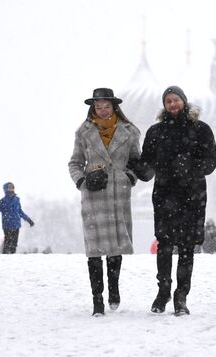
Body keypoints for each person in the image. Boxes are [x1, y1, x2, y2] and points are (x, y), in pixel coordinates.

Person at [129, 85, 216, 316]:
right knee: (164, 245)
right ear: (164, 105)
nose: (172, 104)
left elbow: (211, 163)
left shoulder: (200, 130)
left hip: (192, 196)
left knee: (187, 248)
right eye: (168, 101)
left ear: (184, 101)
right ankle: (164, 291)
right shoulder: (156, 132)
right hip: (165, 195)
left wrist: (190, 165)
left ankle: (181, 296)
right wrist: (135, 165)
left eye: (176, 100)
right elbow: (147, 168)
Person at [68, 88, 141, 316]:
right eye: (98, 107)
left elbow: (136, 161)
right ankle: (97, 300)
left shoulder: (130, 132)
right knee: (94, 248)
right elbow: (74, 162)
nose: (102, 110)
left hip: (118, 192)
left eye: (106, 106)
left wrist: (130, 177)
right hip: (94, 193)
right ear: (93, 108)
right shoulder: (83, 132)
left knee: (116, 244)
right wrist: (82, 181)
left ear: (114, 106)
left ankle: (114, 289)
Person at [0, 182, 34, 254]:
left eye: (13, 187)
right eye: (9, 187)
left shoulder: (17, 199)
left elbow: (20, 212)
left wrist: (29, 220)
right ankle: (5, 258)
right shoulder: (3, 201)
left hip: (16, 225)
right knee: (7, 243)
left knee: (14, 244)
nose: (12, 189)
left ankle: (12, 259)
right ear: (5, 189)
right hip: (7, 225)